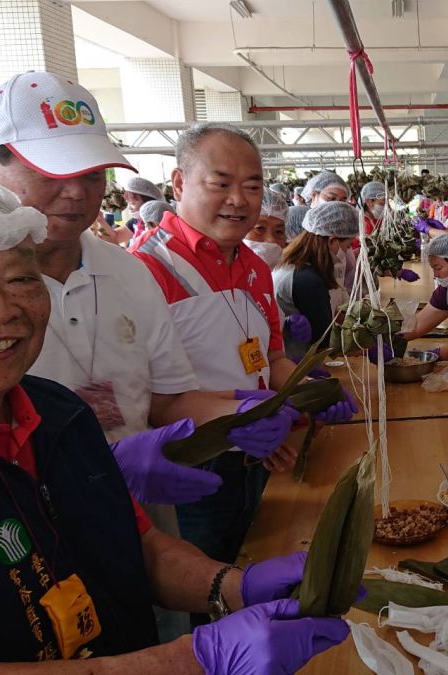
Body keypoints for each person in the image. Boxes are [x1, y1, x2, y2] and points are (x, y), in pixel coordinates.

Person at [0, 175, 348, 672]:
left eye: (21, 280)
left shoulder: (56, 412)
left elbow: (140, 545)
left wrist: (234, 585)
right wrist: (196, 659)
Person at [131, 123, 356, 570]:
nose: (239, 199)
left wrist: (305, 388)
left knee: (249, 557)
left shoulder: (253, 265)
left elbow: (269, 357)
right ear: (179, 183)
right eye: (221, 184)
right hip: (190, 464)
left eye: (252, 186)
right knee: (204, 582)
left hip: (253, 454)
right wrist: (237, 419)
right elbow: (145, 400)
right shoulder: (144, 270)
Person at [274, 201, 359, 359]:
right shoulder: (307, 281)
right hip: (295, 364)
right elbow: (325, 341)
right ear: (332, 241)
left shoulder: (296, 265)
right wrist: (367, 346)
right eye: (347, 246)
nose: (347, 252)